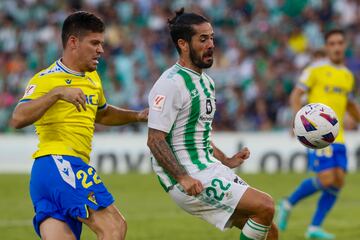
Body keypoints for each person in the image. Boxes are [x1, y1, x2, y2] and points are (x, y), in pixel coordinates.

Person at [10, 11, 147, 240]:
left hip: (49, 175)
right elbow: (17, 118)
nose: (101, 50)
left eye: (101, 44)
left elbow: (101, 114)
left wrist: (137, 116)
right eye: (94, 43)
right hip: (60, 163)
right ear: (73, 42)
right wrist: (57, 93)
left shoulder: (92, 78)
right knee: (114, 227)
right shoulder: (46, 79)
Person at [147, 8, 278, 240]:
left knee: (268, 230)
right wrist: (182, 177)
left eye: (212, 38)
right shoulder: (170, 84)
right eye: (203, 39)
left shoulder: (207, 82)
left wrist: (225, 160)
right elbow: (155, 140)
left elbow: (199, 135)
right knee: (265, 205)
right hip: (189, 176)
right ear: (183, 44)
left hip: (210, 167)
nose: (211, 44)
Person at [277, 29, 360, 239]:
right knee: (326, 178)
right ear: (326, 46)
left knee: (339, 180)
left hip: (338, 135)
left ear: (345, 45)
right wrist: (297, 121)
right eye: (332, 43)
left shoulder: (348, 76)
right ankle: (287, 203)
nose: (337, 47)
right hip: (319, 135)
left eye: (340, 43)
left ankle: (314, 228)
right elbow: (296, 95)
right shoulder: (315, 70)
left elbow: (349, 104)